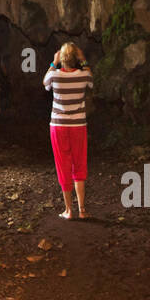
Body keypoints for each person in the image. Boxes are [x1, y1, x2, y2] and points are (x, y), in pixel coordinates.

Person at [43, 43, 94, 219]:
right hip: (78, 125)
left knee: (62, 164)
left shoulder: (54, 75)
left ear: (62, 59)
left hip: (58, 126)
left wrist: (53, 63)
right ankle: (82, 209)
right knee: (79, 163)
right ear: (76, 59)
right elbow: (91, 80)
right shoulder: (83, 74)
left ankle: (68, 210)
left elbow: (45, 83)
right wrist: (84, 60)